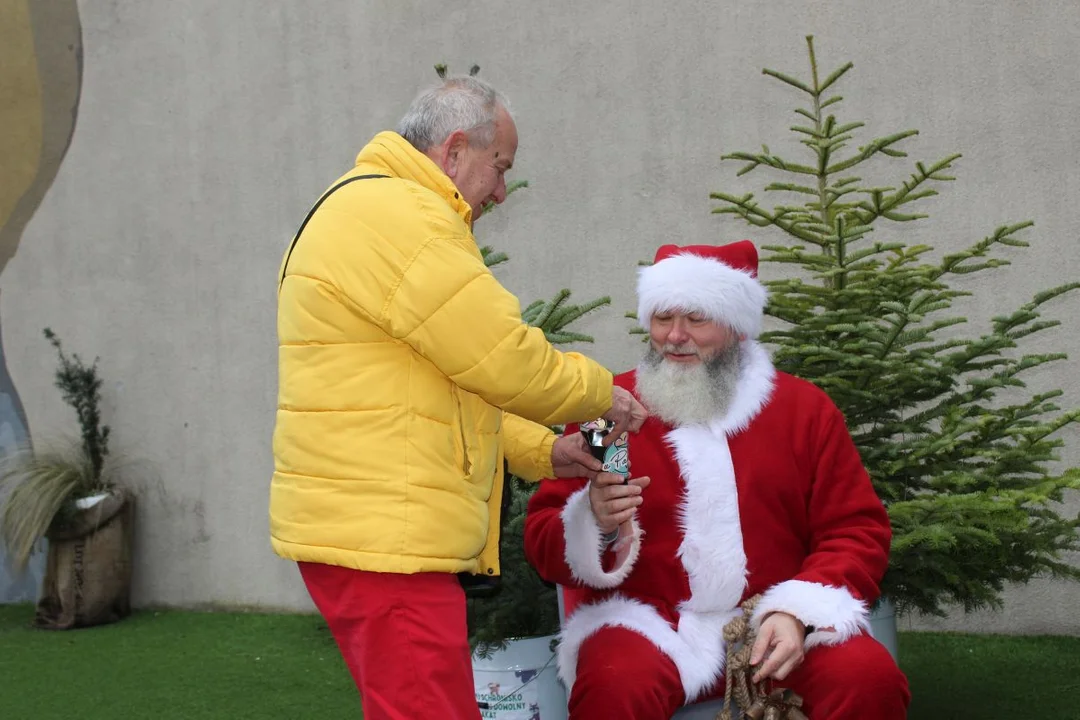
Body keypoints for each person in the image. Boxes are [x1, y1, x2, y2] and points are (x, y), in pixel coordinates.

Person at [270, 75, 646, 720]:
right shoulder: (403, 217)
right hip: (386, 537)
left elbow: (447, 387)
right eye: (499, 166)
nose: (502, 190)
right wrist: (599, 394)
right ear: (452, 151)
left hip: (372, 530)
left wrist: (546, 452)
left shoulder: (369, 207)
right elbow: (499, 356)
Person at [524, 240, 911, 718]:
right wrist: (593, 519)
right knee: (613, 685)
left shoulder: (802, 412)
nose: (675, 336)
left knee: (866, 677)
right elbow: (543, 539)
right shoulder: (611, 412)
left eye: (696, 319)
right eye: (663, 318)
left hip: (774, 621)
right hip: (650, 624)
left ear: (737, 327)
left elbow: (854, 529)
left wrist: (798, 612)